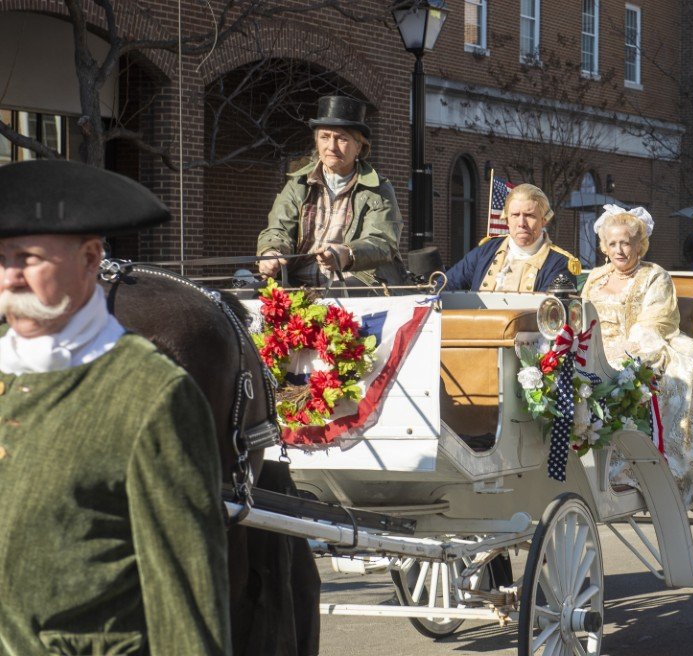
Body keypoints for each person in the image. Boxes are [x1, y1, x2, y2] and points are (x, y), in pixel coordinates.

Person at [0, 160, 230, 654]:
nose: (10, 277)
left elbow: (185, 600)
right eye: (1, 259)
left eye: (29, 258)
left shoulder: (150, 393)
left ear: (89, 259)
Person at [585, 205, 693, 506]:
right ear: (603, 246)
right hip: (596, 350)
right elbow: (582, 319)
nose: (619, 249)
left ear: (639, 244)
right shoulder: (595, 278)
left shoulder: (656, 276)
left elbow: (657, 321)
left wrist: (623, 355)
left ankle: (642, 470)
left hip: (648, 346)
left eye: (626, 242)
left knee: (639, 382)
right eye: (612, 243)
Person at [258, 94, 404, 287]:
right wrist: (271, 252)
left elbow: (382, 242)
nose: (331, 147)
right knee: (246, 299)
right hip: (297, 282)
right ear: (317, 142)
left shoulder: (378, 189)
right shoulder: (297, 184)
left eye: (341, 139)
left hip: (355, 283)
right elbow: (278, 230)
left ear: (359, 147)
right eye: (324, 137)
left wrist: (347, 254)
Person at [444, 183, 580, 292]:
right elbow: (445, 285)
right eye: (515, 215)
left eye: (530, 216)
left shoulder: (559, 264)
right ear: (506, 219)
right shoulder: (485, 252)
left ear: (544, 220)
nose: (521, 223)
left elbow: (553, 316)